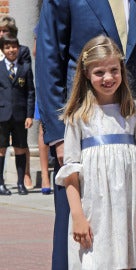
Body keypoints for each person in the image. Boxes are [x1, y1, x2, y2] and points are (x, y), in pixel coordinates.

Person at [35, 1, 136, 269]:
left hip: (130, 136)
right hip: (82, 137)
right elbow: (49, 60)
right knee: (79, 242)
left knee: (126, 241)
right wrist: (58, 135)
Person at [55, 35, 136, 269]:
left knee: (126, 262)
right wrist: (77, 217)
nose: (108, 78)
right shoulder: (78, 117)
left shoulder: (134, 111)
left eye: (114, 70)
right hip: (95, 211)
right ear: (86, 73)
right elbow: (70, 173)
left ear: (122, 70)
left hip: (128, 208)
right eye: (99, 73)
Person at [0, 15, 33, 190]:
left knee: (21, 145)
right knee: (1, 147)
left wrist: (29, 114)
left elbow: (29, 89)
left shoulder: (24, 56)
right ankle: (1, 183)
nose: (2, 33)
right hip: (3, 111)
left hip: (19, 110)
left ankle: (22, 180)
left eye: (5, 31)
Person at [32, 23, 51, 194]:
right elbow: (36, 52)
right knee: (43, 128)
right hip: (48, 77)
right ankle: (45, 176)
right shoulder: (44, 20)